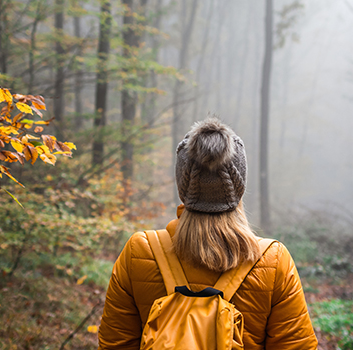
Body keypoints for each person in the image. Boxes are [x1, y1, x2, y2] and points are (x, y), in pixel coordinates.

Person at [98, 118, 318, 349]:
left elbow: (115, 344)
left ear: (184, 186)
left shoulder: (139, 251)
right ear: (238, 185)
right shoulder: (273, 260)